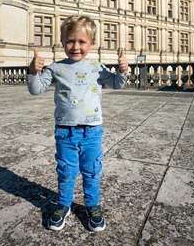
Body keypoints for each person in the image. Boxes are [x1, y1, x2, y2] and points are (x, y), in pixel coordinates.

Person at [27, 15, 128, 231]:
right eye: (70, 41)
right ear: (62, 43)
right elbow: (36, 89)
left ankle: (92, 205)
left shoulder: (97, 67)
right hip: (65, 132)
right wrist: (32, 71)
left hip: (92, 131)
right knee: (66, 171)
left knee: (91, 170)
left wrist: (122, 71)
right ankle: (63, 204)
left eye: (82, 42)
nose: (75, 46)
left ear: (91, 44)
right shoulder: (55, 68)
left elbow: (116, 84)